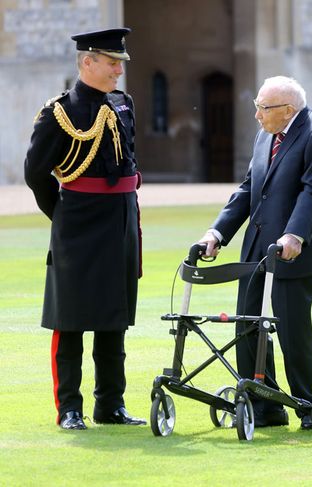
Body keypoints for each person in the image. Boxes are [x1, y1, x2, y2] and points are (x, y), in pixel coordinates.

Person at [24, 28, 146, 430]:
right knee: (71, 318)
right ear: (87, 61)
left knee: (114, 317)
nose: (118, 71)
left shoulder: (123, 104)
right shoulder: (59, 111)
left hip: (121, 220)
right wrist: (61, 215)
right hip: (76, 222)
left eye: (120, 63)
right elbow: (36, 173)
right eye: (112, 62)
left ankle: (110, 404)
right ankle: (70, 408)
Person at [199, 75, 312, 430]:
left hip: (294, 249)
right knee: (247, 325)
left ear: (287, 109)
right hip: (256, 247)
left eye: (262, 108)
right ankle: (264, 406)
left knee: (292, 328)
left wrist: (295, 235)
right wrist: (217, 232)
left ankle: (308, 406)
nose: (256, 115)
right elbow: (248, 190)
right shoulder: (265, 135)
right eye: (256, 107)